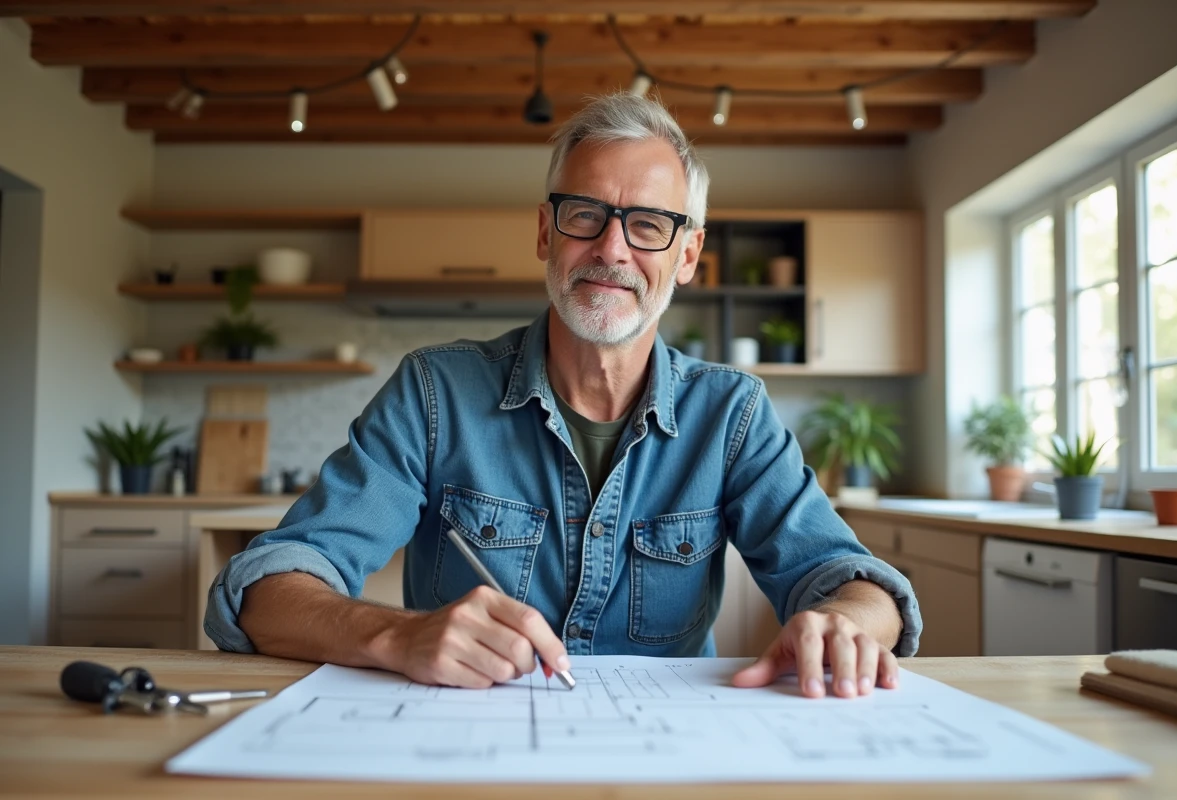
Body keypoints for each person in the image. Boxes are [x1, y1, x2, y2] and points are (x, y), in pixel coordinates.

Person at [205, 94, 921, 699]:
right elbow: (267, 591)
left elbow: (855, 582)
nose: (612, 250)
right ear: (547, 232)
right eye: (586, 215)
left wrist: (846, 622)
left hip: (661, 755)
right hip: (465, 743)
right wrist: (395, 633)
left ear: (689, 256)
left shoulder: (731, 416)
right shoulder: (434, 394)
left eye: (647, 225)